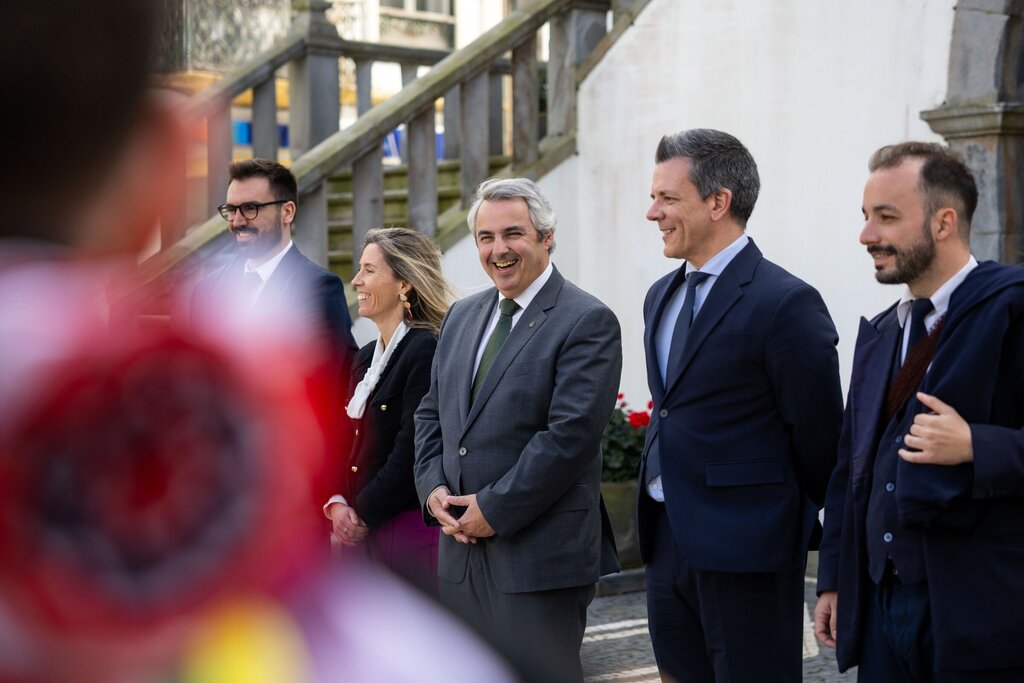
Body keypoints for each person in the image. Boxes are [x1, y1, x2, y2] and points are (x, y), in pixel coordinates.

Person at [814, 142, 1024, 681]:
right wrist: (835, 579)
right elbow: (848, 470)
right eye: (866, 217)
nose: (866, 236)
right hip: (883, 607)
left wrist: (978, 446)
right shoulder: (882, 331)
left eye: (887, 218)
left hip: (978, 609)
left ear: (943, 222)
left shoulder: (1012, 307)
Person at [639, 128, 843, 682]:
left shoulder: (787, 303)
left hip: (747, 548)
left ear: (718, 201)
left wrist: (834, 562)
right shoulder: (660, 295)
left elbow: (824, 443)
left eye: (667, 198)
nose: (652, 212)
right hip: (665, 542)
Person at [413, 177, 622, 682]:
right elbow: (430, 414)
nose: (498, 249)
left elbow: (568, 438)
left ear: (547, 238)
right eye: (486, 237)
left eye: (513, 234)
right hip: (460, 556)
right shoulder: (462, 315)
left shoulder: (586, 319)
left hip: (538, 561)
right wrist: (434, 490)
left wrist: (494, 509)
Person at [324, 227, 455, 594]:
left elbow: (411, 446)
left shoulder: (425, 348)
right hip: (359, 530)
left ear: (404, 284)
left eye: (369, 270)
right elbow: (341, 439)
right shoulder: (365, 357)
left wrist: (360, 512)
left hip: (405, 533)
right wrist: (336, 503)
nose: (356, 280)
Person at [190, 158, 357, 362]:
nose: (237, 221)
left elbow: (323, 383)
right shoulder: (205, 291)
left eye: (251, 208)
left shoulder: (320, 290)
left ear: (287, 212)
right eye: (232, 210)